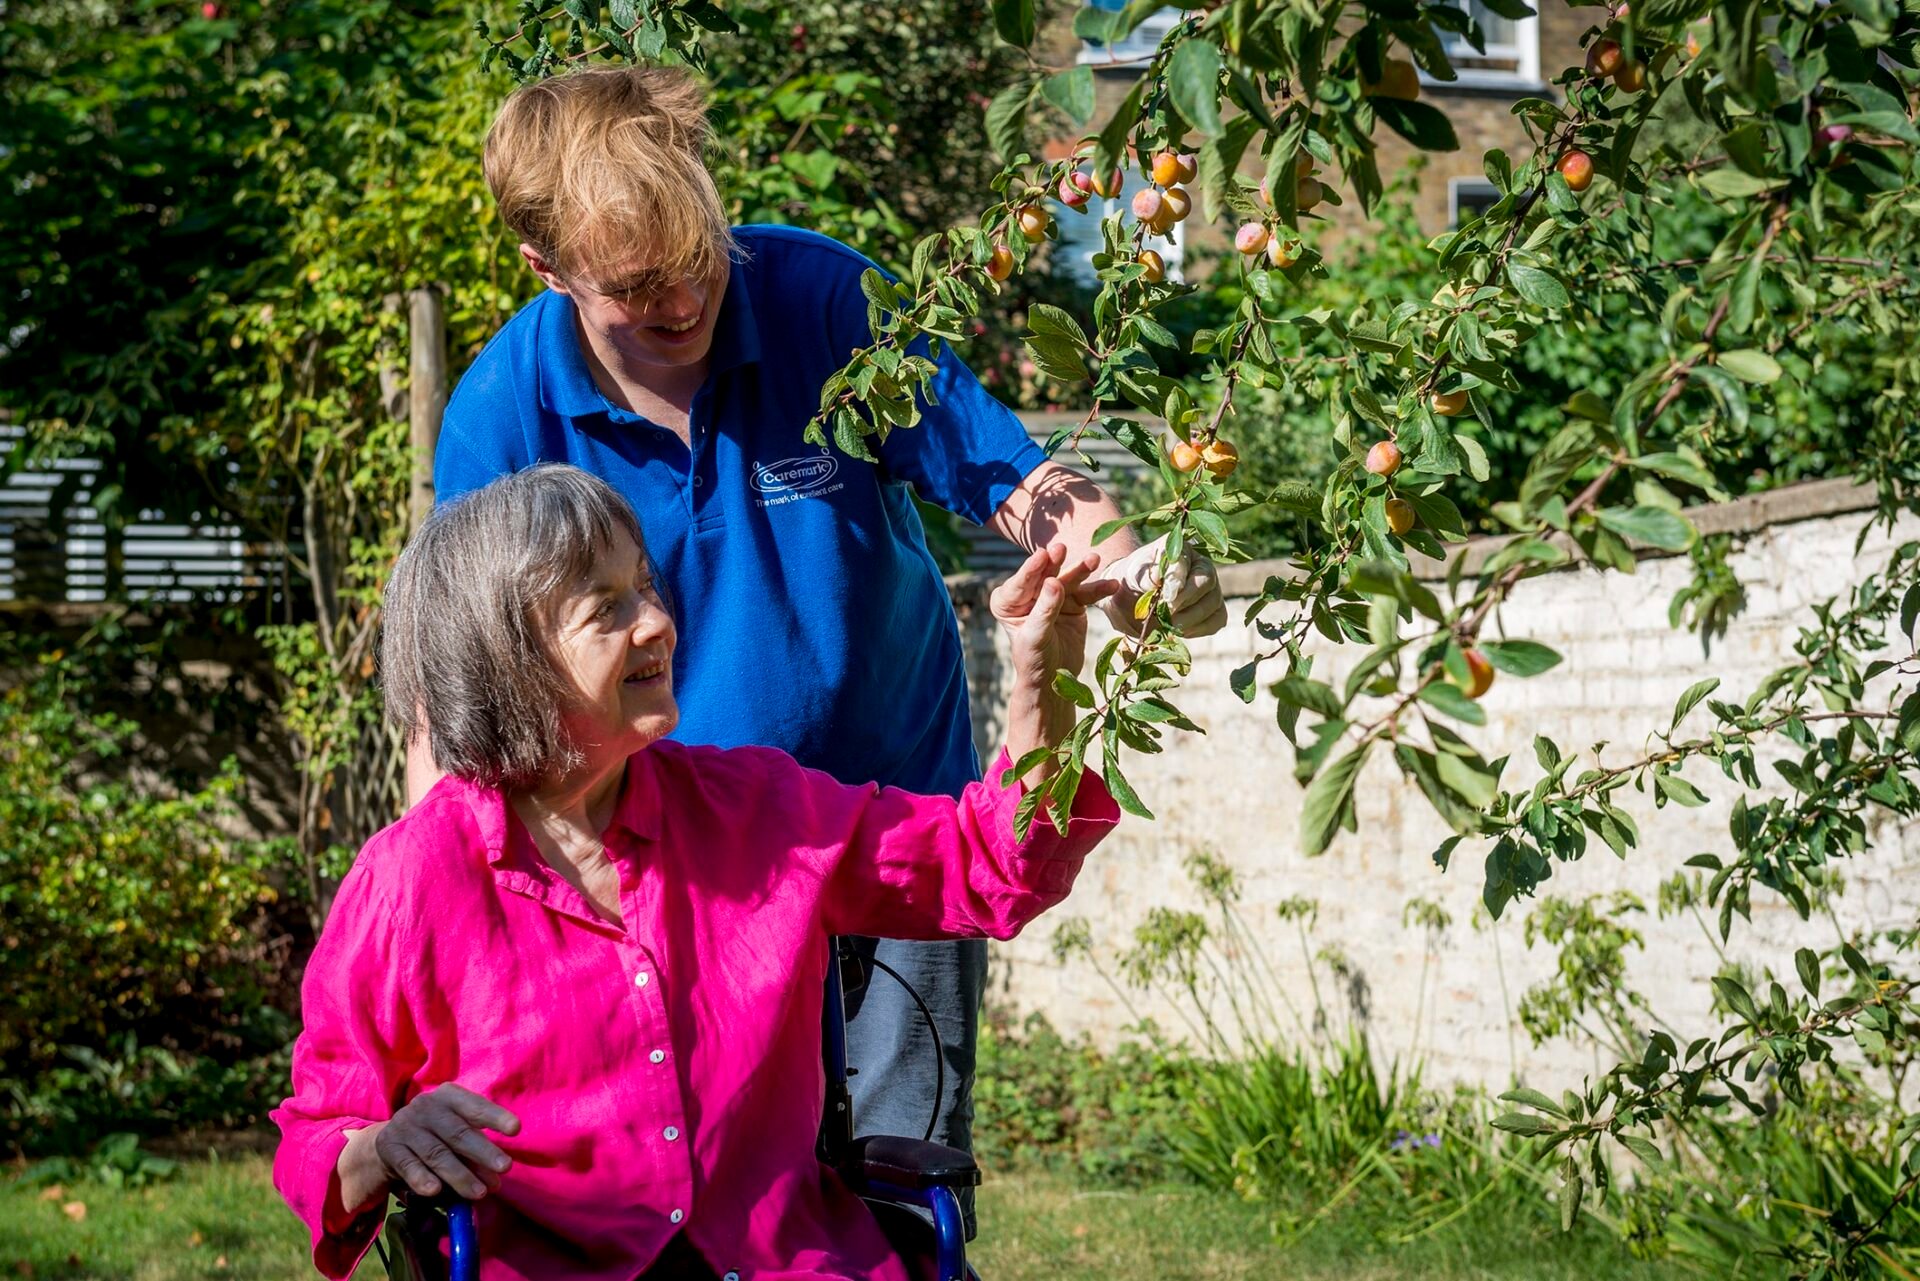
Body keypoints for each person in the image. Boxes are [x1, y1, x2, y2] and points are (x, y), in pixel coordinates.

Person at [415, 65, 1224, 1210]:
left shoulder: (824, 301)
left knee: (904, 1191)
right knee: (725, 1204)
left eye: (696, 253)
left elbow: (1005, 469)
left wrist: (1129, 561)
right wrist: (442, 923)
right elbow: (458, 710)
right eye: (636, 286)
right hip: (671, 887)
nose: (686, 300)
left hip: (903, 836)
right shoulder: (505, 417)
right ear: (545, 270)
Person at [274, 464, 1120, 1280]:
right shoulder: (414, 877)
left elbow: (985, 866)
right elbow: (316, 1135)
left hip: (789, 1262)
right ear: (507, 665)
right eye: (605, 608)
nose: (658, 623)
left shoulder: (758, 809)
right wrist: (380, 1147)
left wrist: (1040, 690)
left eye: (647, 586)